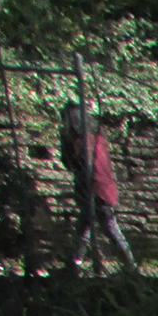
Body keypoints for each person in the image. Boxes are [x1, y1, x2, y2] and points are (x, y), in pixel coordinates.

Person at [59, 101, 135, 272]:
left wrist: (66, 143)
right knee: (84, 227)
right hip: (98, 186)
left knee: (109, 227)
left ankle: (130, 264)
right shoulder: (95, 135)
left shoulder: (84, 139)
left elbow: (77, 163)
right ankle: (74, 263)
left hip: (96, 188)